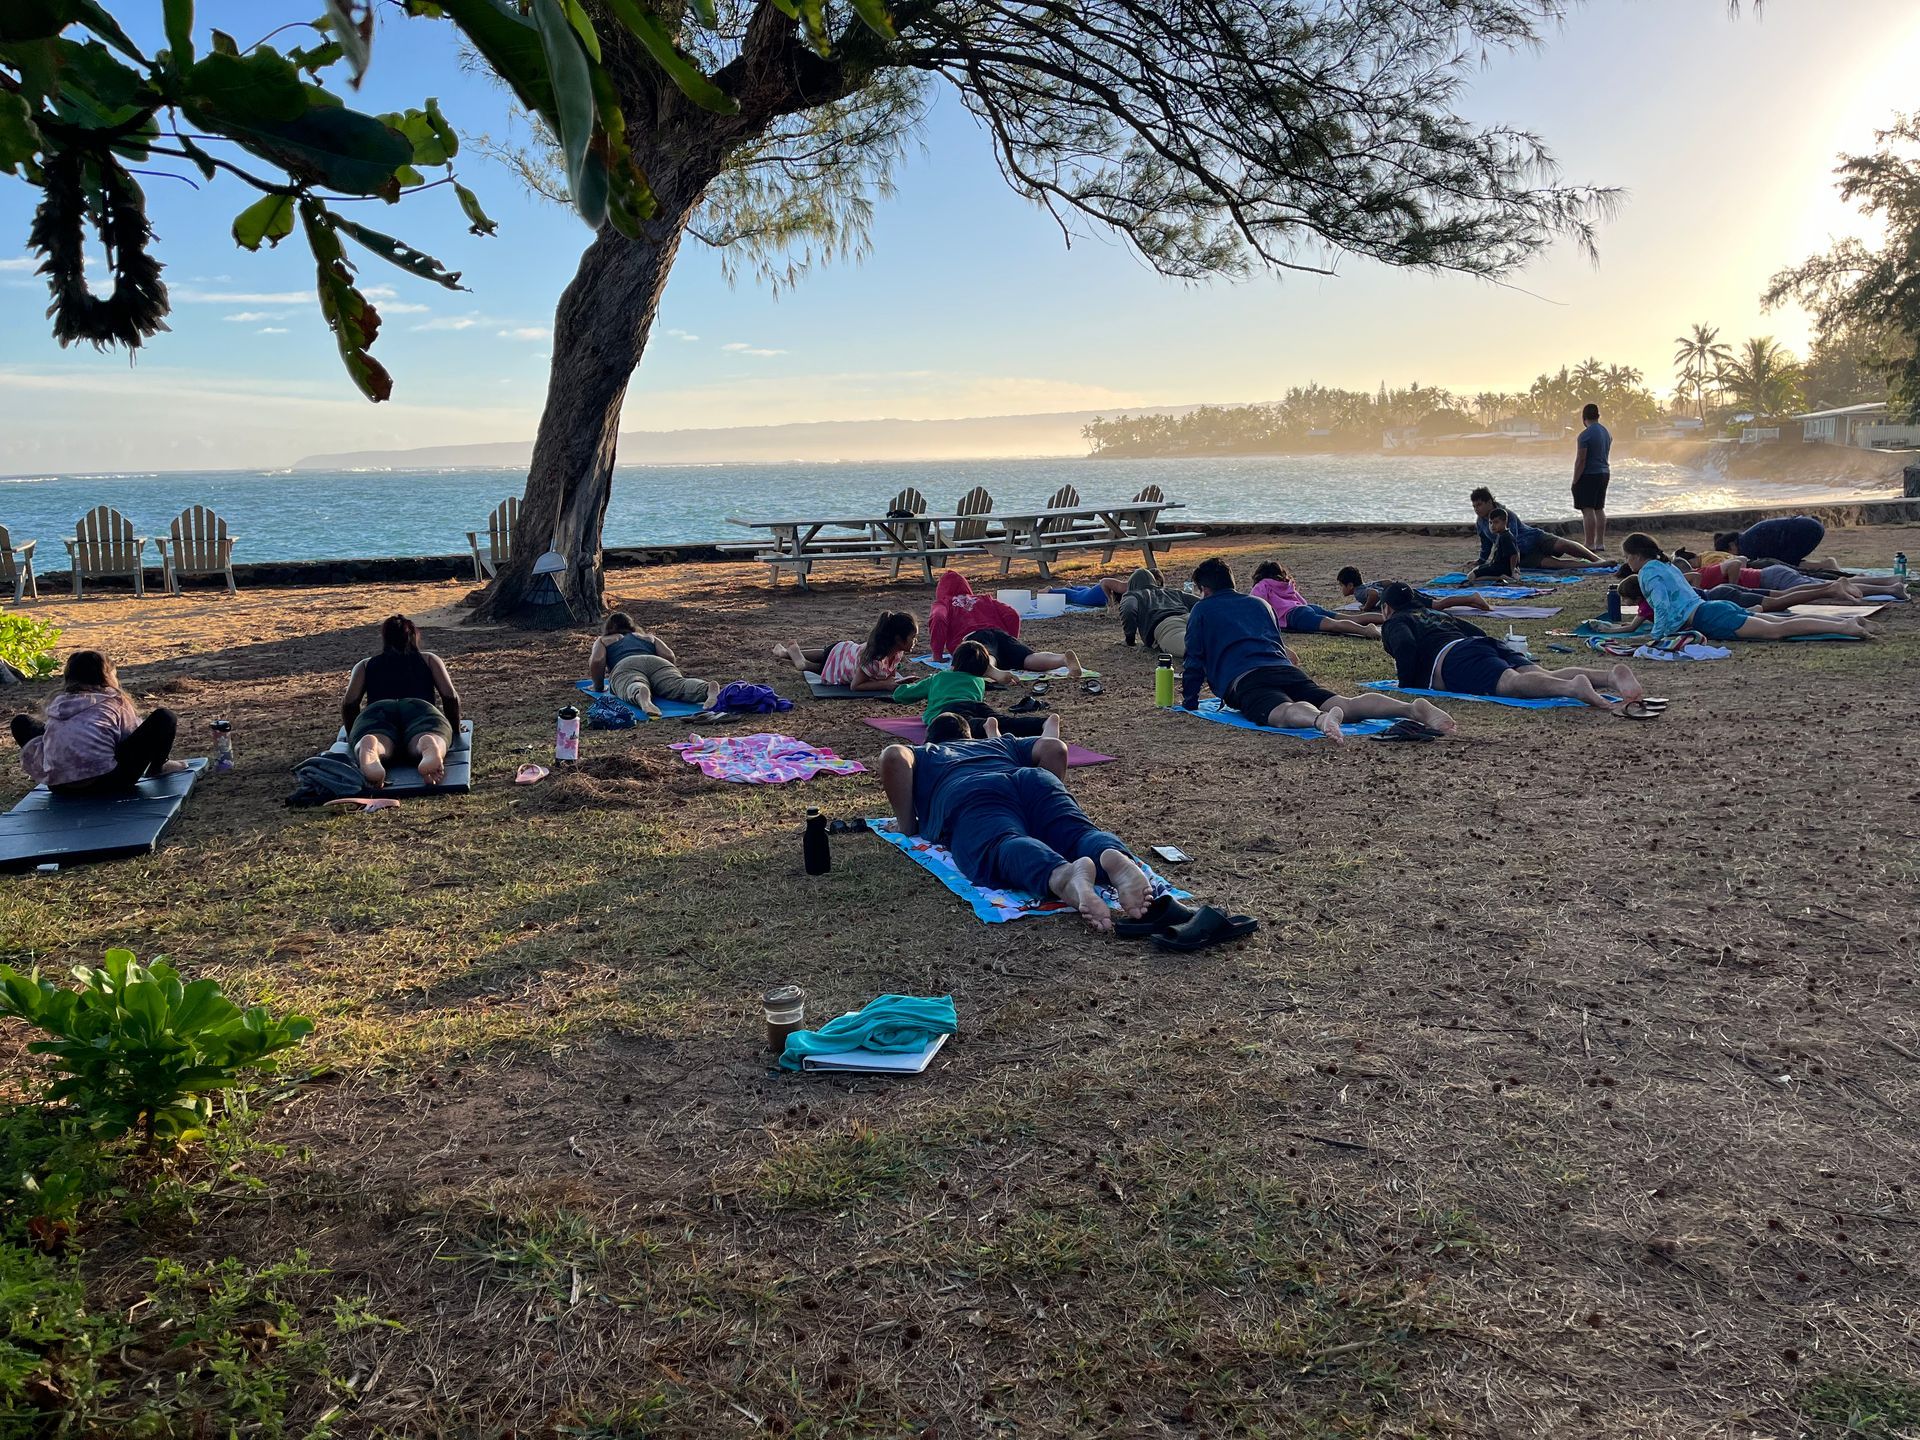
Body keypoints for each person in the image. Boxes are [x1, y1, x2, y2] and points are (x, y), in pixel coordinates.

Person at [879, 711, 1151, 931]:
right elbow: (1055, 749)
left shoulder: (927, 752)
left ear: (930, 738)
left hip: (971, 793)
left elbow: (893, 756)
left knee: (1001, 843)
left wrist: (907, 825)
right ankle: (1112, 857)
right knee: (1076, 833)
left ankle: (1063, 877)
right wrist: (1043, 814)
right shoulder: (999, 743)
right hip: (1032, 780)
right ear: (969, 735)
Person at [1182, 556, 1456, 742]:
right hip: (1286, 670)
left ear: (1204, 589)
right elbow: (1281, 647)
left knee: (1282, 712)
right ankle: (1411, 708)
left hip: (1246, 680)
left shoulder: (1202, 610)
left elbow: (1194, 660)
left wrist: (1190, 702)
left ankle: (1320, 720)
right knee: (1346, 704)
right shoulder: (1259, 605)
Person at [1374, 582, 1652, 715]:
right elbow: (1477, 633)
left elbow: (1406, 646)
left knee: (1513, 683)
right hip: (1483, 645)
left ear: (1386, 608)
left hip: (1456, 657)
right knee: (1542, 674)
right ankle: (1608, 677)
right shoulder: (1436, 615)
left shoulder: (1395, 621)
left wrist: (1407, 684)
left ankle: (1573, 688)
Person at [1619, 532, 1872, 642]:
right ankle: (1846, 624)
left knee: (1777, 629)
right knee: (1776, 622)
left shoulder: (1648, 572)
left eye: (1628, 557)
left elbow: (1662, 605)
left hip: (1709, 616)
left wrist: (1654, 638)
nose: (1627, 563)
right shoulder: (1666, 565)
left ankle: (1846, 626)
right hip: (1713, 607)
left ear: (1638, 556)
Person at [11, 650, 185, 794]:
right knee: (165, 717)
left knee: (21, 722)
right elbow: (130, 735)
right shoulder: (114, 701)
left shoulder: (58, 702)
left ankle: (62, 770)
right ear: (106, 677)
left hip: (59, 786)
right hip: (110, 783)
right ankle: (159, 766)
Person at [341, 615, 462, 787]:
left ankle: (371, 745)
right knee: (430, 735)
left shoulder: (365, 665)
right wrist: (453, 730)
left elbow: (350, 703)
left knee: (378, 740)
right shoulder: (429, 659)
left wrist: (354, 734)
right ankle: (429, 743)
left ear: (385, 638)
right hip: (420, 709)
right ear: (413, 636)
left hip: (378, 711)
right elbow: (450, 696)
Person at [891, 640, 1059, 738]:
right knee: (1006, 722)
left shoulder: (939, 677)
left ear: (954, 662)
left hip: (948, 711)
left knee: (966, 726)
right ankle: (1043, 723)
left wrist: (898, 687)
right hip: (976, 706)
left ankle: (986, 726)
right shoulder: (979, 681)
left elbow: (904, 695)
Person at [588, 611, 718, 717]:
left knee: (631, 683)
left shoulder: (604, 640)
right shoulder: (648, 637)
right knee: (678, 684)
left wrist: (598, 686)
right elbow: (668, 655)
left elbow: (597, 660)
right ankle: (706, 688)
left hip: (626, 664)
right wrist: (666, 675)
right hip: (656, 662)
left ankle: (641, 694)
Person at [774, 611, 918, 693]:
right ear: (898, 639)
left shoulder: (897, 653)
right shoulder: (874, 660)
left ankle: (787, 653)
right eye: (913, 637)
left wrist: (898, 682)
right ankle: (802, 663)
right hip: (842, 658)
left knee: (825, 656)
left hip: (846, 654)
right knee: (824, 660)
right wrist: (885, 685)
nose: (915, 641)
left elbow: (888, 676)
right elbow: (855, 686)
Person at [1468, 487, 1603, 572]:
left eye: (1479, 505)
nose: (1476, 509)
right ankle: (1591, 566)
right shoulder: (1480, 523)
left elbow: (1510, 539)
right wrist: (1481, 560)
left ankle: (1596, 559)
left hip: (1534, 538)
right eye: (1474, 506)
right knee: (1554, 565)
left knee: (1563, 545)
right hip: (1523, 555)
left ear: (1489, 502)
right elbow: (1486, 545)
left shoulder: (1507, 514)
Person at [1249, 562, 1379, 637]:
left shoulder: (1262, 585)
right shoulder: (1286, 583)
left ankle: (1366, 630)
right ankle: (1388, 617)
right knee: (1352, 618)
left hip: (1295, 615)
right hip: (1307, 607)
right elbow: (1302, 601)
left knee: (1333, 625)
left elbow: (1256, 605)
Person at [926, 571, 1022, 663]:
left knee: (987, 659)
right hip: (1000, 635)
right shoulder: (984, 599)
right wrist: (1011, 640)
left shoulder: (943, 603)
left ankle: (994, 669)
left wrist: (937, 654)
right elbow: (1012, 615)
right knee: (1027, 658)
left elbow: (938, 618)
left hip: (972, 640)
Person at [1337, 566, 1492, 614]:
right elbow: (1387, 582)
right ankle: (1472, 602)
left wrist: (1366, 608)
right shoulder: (1367, 584)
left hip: (1402, 596)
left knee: (1437, 605)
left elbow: (1373, 594)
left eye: (1341, 585)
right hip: (1404, 590)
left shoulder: (1359, 592)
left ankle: (1472, 598)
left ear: (1350, 585)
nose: (1341, 589)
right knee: (1436, 603)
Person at [1117, 567, 1197, 657]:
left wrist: (1129, 639)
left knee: (1198, 649)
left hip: (1169, 627)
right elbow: (1201, 603)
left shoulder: (1133, 595)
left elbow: (1128, 609)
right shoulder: (1172, 592)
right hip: (1191, 618)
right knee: (1212, 642)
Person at [1713, 515, 1833, 570]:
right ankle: (1825, 564)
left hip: (1806, 529)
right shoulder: (1746, 537)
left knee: (1787, 565)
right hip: (1809, 525)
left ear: (1731, 545)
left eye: (1729, 554)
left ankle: (1826, 564)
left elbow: (1751, 566)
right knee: (1786, 562)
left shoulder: (1745, 545)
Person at [1573, 402, 1612, 553]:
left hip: (1590, 474)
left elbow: (1581, 460)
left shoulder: (1585, 435)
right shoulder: (1606, 432)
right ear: (1598, 416)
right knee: (1599, 508)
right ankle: (1600, 542)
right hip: (1604, 472)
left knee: (1587, 509)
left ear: (1583, 418)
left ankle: (1589, 543)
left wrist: (1575, 480)